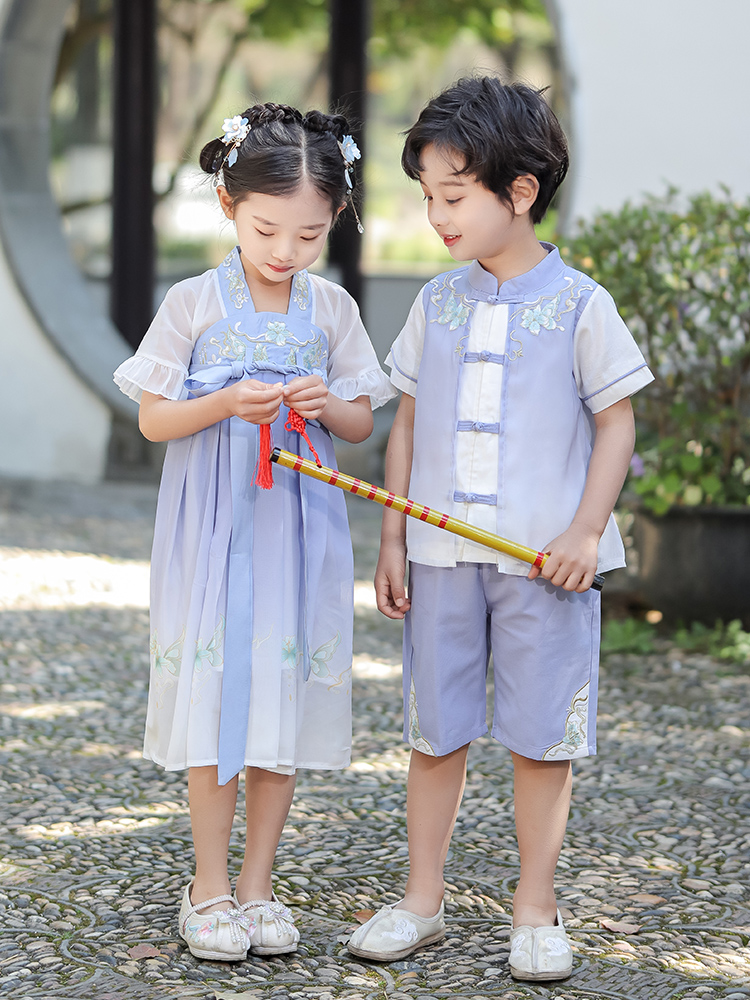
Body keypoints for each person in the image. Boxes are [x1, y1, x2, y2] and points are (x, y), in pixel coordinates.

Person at [348, 77, 653, 980]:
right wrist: (395, 537)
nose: (436, 217)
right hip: (438, 558)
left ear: (519, 192)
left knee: (540, 737)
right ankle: (422, 900)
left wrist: (585, 531)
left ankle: (536, 909)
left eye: (453, 196)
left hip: (543, 566)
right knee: (433, 729)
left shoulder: (581, 305)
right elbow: (405, 421)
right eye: (428, 197)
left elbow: (617, 422)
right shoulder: (435, 303)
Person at [113, 102, 394, 962]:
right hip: (215, 528)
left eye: (308, 235)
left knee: (279, 697)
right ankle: (207, 885)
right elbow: (155, 422)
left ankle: (261, 884)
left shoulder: (333, 309)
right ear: (230, 205)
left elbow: (360, 425)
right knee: (217, 695)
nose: (285, 251)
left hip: (297, 533)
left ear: (334, 220)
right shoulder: (193, 300)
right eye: (269, 228)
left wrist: (326, 404)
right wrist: (223, 403)